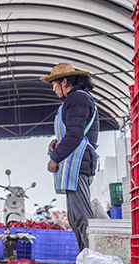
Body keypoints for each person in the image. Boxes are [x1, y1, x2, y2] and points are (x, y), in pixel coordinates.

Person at [41, 62, 99, 251]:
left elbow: (75, 134)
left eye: (54, 84)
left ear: (65, 82)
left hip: (79, 166)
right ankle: (84, 260)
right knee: (75, 219)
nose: (53, 89)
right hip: (75, 166)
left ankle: (91, 260)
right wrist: (57, 141)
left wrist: (55, 157)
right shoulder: (74, 100)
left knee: (83, 218)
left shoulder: (78, 99)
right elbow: (73, 132)